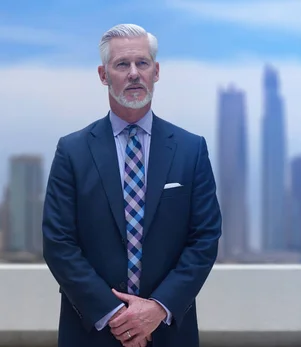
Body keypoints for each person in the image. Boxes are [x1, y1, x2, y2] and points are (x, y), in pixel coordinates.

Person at [42, 23, 221, 347]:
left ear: (156, 72)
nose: (134, 73)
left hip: (168, 330)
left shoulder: (191, 149)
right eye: (122, 64)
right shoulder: (72, 151)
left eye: (143, 63)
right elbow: (59, 243)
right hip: (91, 331)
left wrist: (156, 308)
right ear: (103, 75)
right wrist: (114, 315)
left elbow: (205, 237)